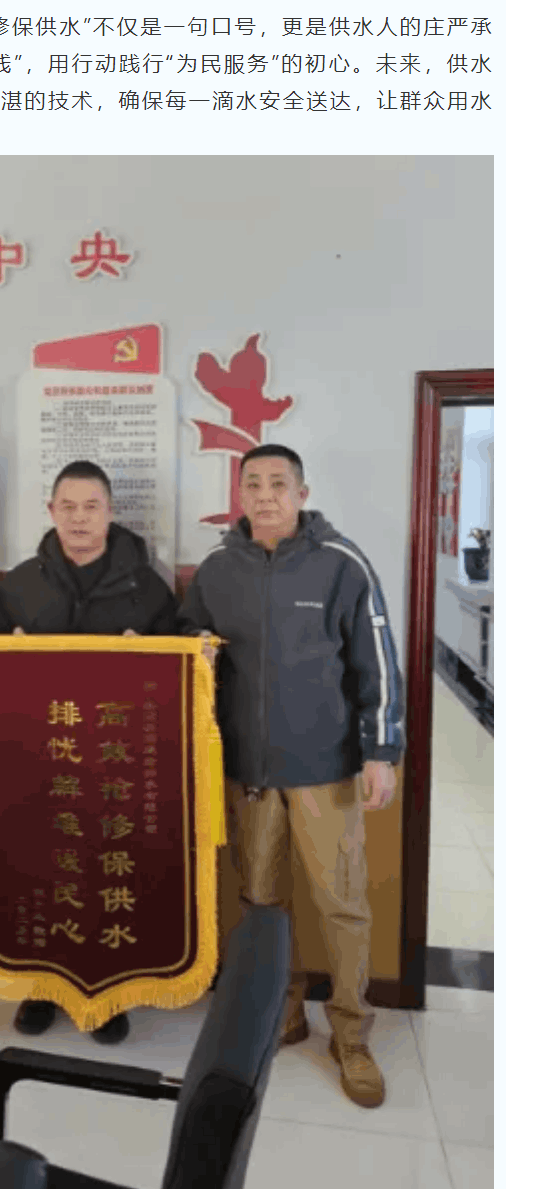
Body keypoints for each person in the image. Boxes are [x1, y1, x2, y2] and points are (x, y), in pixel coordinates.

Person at [178, 444, 404, 1107]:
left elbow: (377, 662)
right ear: (239, 493)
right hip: (247, 772)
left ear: (302, 494)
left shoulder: (340, 563)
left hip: (324, 769)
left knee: (341, 905)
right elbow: (190, 654)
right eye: (252, 483)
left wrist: (380, 751)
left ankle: (351, 1035)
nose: (265, 495)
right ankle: (283, 1011)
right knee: (262, 904)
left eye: (278, 484)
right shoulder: (217, 570)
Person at [0, 458, 179, 1045]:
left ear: (111, 512)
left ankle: (109, 995)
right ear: (50, 511)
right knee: (40, 874)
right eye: (67, 507)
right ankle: (42, 989)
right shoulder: (21, 583)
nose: (79, 518)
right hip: (39, 762)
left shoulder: (149, 586)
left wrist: (149, 657)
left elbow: (178, 678)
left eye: (91, 507)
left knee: (109, 875)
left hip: (116, 765)